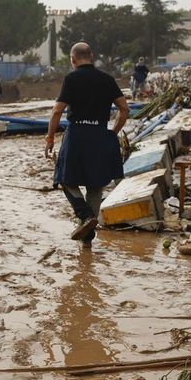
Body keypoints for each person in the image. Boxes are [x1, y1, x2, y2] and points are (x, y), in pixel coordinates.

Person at [44, 43, 129, 248]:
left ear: (73, 60)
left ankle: (85, 215)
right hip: (100, 134)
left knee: (64, 178)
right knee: (95, 184)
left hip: (77, 135)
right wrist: (112, 133)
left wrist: (50, 138)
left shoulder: (71, 79)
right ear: (92, 56)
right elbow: (124, 109)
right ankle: (87, 241)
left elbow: (57, 111)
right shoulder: (107, 79)